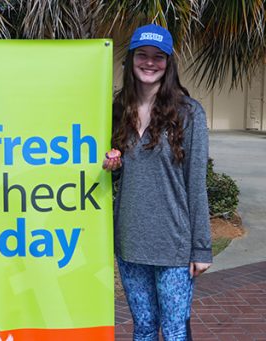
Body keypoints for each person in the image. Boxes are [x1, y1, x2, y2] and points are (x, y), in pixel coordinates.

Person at [103, 24, 212, 341]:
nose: (149, 63)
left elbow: (196, 184)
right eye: (142, 55)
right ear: (131, 60)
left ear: (169, 63)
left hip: (173, 244)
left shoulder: (189, 113)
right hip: (130, 240)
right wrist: (115, 165)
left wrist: (201, 248)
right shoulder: (117, 109)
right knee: (144, 327)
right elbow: (126, 172)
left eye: (158, 57)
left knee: (176, 330)